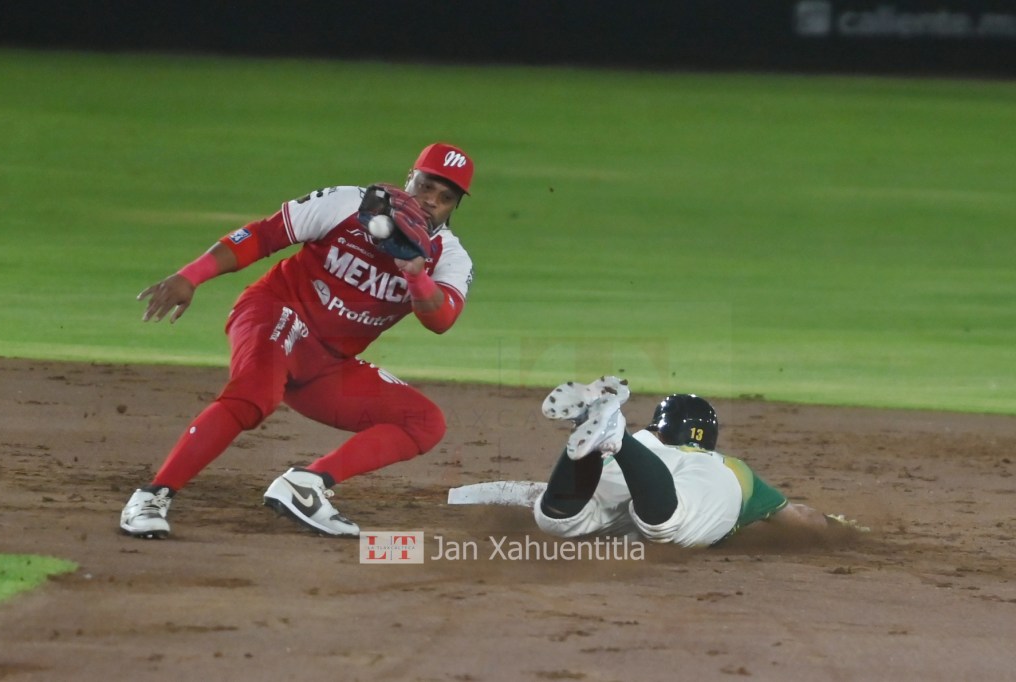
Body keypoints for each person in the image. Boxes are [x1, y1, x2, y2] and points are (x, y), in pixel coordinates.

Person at [120, 142, 475, 540]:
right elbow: (263, 235)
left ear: (454, 208)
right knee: (255, 395)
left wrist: (415, 274)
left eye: (445, 198)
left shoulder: (447, 256)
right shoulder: (348, 204)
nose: (430, 202)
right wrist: (191, 276)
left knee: (424, 423)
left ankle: (305, 485)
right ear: (410, 178)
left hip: (327, 364)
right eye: (426, 186)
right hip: (275, 312)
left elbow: (441, 319)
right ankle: (152, 496)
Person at [534, 377, 862, 547]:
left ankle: (597, 428)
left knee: (559, 521)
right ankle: (616, 436)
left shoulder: (649, 441)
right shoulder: (728, 467)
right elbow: (802, 521)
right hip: (683, 482)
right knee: (669, 524)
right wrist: (840, 527)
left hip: (631, 457)